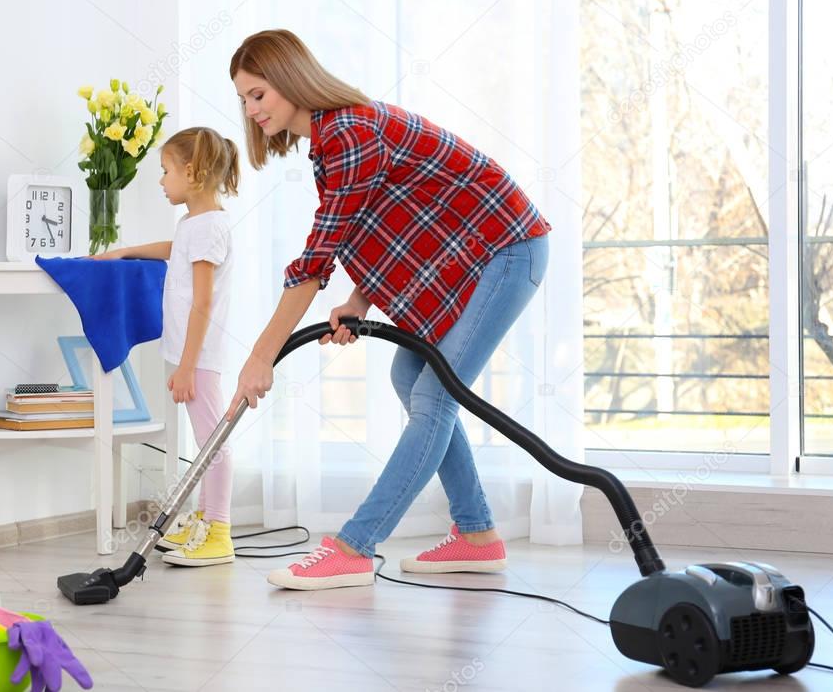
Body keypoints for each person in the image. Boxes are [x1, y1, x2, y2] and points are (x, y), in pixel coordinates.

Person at [226, 30, 552, 591]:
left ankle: (355, 547)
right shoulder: (331, 140)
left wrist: (262, 357)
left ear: (289, 78)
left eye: (258, 94)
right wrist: (358, 300)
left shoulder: (349, 132)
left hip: (505, 248)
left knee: (433, 395)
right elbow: (377, 223)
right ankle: (478, 537)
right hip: (478, 254)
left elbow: (314, 260)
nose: (251, 110)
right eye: (244, 100)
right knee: (412, 375)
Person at [93, 127, 239, 567]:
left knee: (214, 440)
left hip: (200, 357)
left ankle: (219, 531)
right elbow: (177, 250)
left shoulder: (210, 225)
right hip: (188, 353)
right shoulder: (194, 223)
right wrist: (127, 251)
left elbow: (203, 299)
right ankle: (204, 521)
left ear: (191, 172)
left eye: (165, 171)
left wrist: (188, 367)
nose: (161, 181)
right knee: (205, 437)